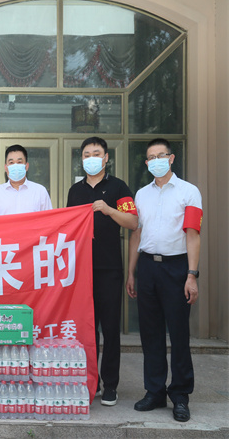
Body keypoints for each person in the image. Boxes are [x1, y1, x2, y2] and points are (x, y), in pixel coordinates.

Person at [126, 138, 202, 423]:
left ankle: (180, 395)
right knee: (150, 333)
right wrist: (131, 272)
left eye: (161, 155)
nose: (156, 161)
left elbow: (193, 234)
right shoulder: (141, 194)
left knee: (179, 333)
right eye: (151, 157)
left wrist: (191, 275)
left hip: (177, 267)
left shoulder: (189, 192)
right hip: (147, 267)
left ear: (171, 158)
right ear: (147, 163)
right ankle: (155, 391)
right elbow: (136, 234)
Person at [67, 137, 138, 406]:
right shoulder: (75, 191)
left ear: (106, 157)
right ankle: (90, 381)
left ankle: (110, 385)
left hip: (109, 269)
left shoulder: (119, 187)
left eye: (96, 153)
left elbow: (132, 222)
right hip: (82, 271)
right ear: (81, 159)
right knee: (87, 330)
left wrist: (109, 210)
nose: (91, 158)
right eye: (87, 154)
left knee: (109, 329)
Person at [0, 144, 52, 216]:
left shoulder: (40, 192)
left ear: (26, 166)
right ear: (6, 168)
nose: (15, 166)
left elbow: (49, 219)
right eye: (11, 163)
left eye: (19, 162)